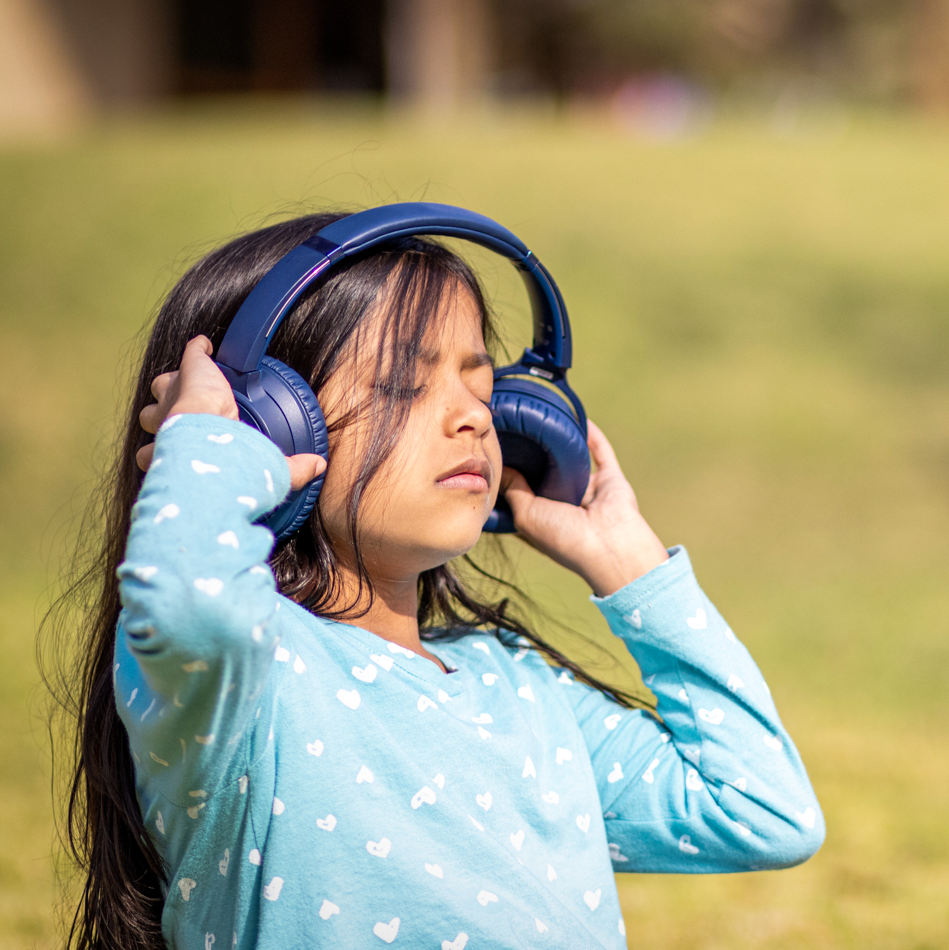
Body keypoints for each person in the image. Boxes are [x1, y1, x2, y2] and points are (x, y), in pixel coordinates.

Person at [57, 212, 823, 950]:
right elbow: (184, 599)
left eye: (481, 385)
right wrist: (209, 457)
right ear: (269, 422)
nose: (473, 418)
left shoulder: (526, 692)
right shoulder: (243, 678)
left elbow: (763, 810)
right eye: (402, 386)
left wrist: (627, 559)